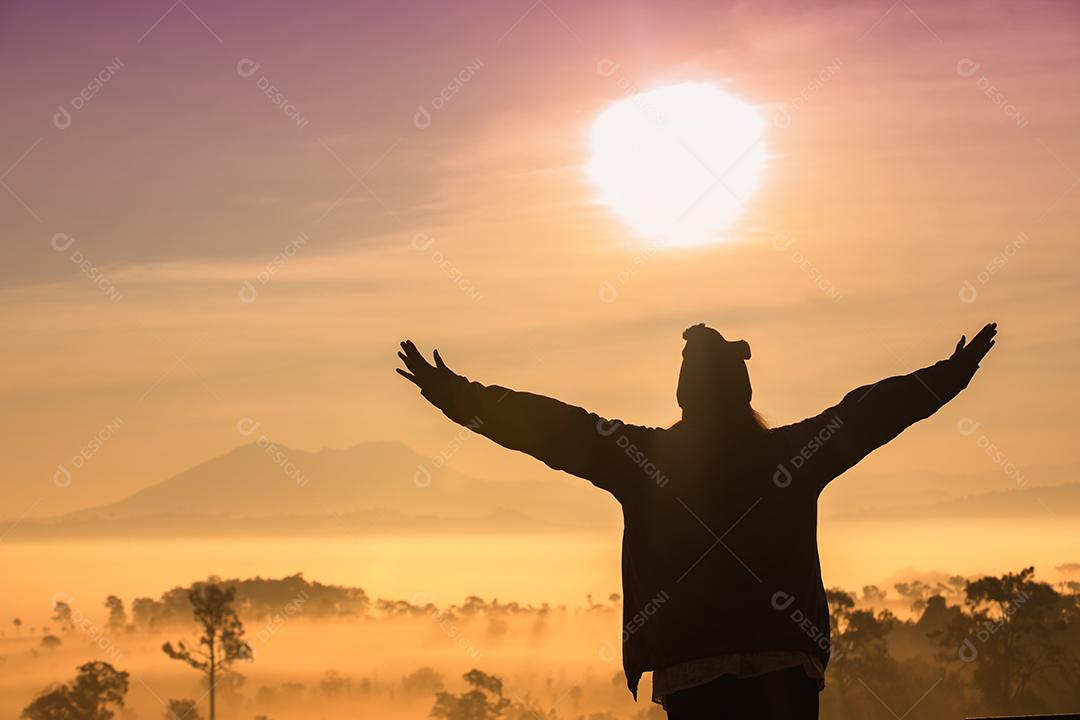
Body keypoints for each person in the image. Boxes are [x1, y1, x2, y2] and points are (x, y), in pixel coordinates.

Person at [396, 322, 997, 719]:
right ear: (743, 393)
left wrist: (457, 394)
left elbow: (554, 428)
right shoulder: (791, 455)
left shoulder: (644, 462)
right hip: (783, 666)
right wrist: (947, 376)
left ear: (685, 397)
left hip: (692, 668)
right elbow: (869, 414)